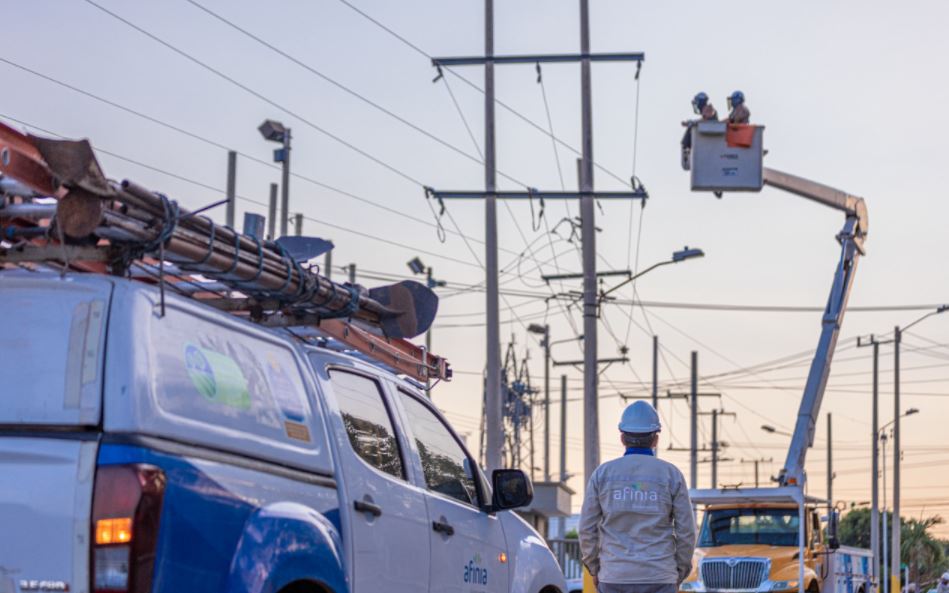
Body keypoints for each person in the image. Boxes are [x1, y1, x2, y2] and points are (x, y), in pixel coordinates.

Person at [579, 401, 696, 593]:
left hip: (614, 577)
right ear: (655, 439)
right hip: (660, 576)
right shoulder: (671, 475)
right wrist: (678, 571)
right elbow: (686, 532)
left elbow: (586, 529)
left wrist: (594, 568)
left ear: (622, 438)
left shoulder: (603, 474)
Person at [681, 92, 719, 170]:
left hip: (710, 133)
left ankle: (686, 150)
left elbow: (705, 119)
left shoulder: (708, 109)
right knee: (691, 128)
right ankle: (687, 150)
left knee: (691, 128)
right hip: (707, 132)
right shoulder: (707, 109)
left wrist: (693, 123)